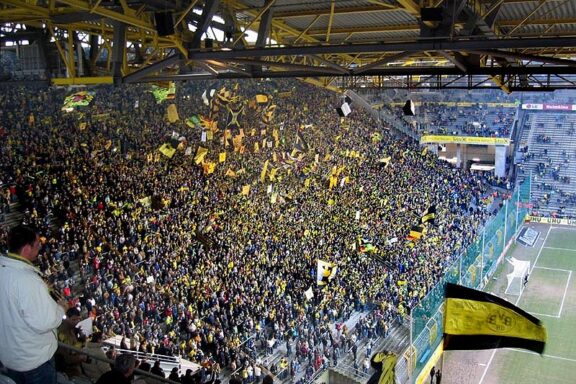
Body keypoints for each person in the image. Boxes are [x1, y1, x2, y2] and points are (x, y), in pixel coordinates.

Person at [0, 225, 66, 384]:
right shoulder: (28, 281)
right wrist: (62, 308)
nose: (40, 247)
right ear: (27, 248)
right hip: (33, 362)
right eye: (37, 244)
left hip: (9, 357)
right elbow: (45, 321)